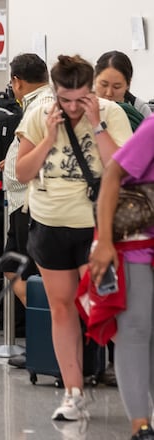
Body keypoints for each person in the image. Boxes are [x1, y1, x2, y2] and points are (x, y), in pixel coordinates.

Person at [15, 54, 132, 421]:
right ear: (54, 92)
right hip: (49, 223)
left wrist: (97, 125)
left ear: (91, 91)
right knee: (62, 309)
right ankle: (73, 392)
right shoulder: (41, 114)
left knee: (105, 308)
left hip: (94, 226)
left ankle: (139, 396)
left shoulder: (110, 113)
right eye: (64, 100)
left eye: (79, 99)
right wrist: (49, 136)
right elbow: (21, 172)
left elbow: (123, 169)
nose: (71, 107)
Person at [90, 114, 154, 440]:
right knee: (136, 330)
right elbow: (113, 172)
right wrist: (103, 241)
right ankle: (139, 426)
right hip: (134, 243)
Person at [1, 53, 53, 369]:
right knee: (12, 266)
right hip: (29, 202)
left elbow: (31, 167)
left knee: (29, 274)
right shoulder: (46, 101)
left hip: (29, 204)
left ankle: (43, 337)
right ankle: (41, 335)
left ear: (16, 81)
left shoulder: (37, 107)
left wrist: (19, 166)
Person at [94, 50, 151, 131]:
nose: (109, 93)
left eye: (116, 87)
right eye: (104, 85)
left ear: (127, 85)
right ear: (94, 79)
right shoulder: (81, 106)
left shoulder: (140, 109)